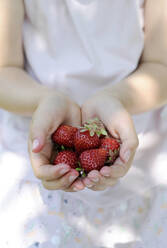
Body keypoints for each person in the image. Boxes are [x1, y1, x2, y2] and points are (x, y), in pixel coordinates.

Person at [0, 0, 167, 247]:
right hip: (38, 140)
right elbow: (4, 70)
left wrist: (116, 98)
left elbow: (161, 65)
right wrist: (45, 100)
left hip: (135, 144)